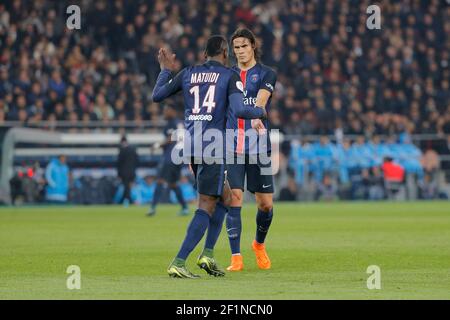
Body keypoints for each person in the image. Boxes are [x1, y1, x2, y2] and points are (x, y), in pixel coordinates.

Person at [152, 35, 267, 278]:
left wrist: (164, 70)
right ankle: (179, 261)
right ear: (226, 53)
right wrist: (260, 110)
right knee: (206, 204)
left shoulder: (188, 73)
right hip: (213, 148)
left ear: (205, 54)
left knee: (225, 199)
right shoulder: (229, 75)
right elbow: (240, 109)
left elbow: (158, 95)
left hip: (192, 145)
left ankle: (208, 255)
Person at [225, 28, 277, 272]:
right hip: (231, 147)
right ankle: (236, 257)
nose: (240, 51)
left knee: (265, 205)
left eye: (244, 46)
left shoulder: (267, 73)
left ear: (253, 46)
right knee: (234, 199)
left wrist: (256, 113)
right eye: (236, 47)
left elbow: (262, 98)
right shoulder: (227, 75)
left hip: (259, 146)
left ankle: (258, 244)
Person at [147, 104, 189, 216]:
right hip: (179, 157)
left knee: (160, 180)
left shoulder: (173, 123)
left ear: (172, 111)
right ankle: (185, 207)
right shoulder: (179, 123)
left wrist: (157, 145)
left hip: (171, 157)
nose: (164, 113)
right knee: (173, 184)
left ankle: (152, 207)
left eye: (166, 111)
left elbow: (171, 138)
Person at [117, 136, 139, 206]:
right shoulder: (133, 149)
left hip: (124, 172)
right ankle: (126, 200)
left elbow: (119, 163)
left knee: (126, 187)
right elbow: (137, 160)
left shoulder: (122, 150)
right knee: (129, 187)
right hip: (132, 171)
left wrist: (119, 173)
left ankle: (128, 200)